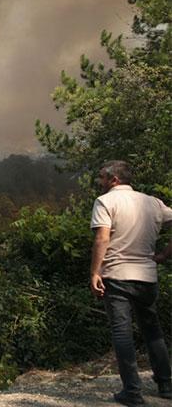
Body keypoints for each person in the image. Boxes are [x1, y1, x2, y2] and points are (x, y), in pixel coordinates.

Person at [89, 160, 172, 406]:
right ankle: (166, 385)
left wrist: (95, 272)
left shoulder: (105, 202)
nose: (99, 181)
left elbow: (102, 238)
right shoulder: (153, 202)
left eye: (102, 176)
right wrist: (165, 255)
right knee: (152, 328)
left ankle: (132, 392)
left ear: (114, 179)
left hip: (116, 276)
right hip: (147, 276)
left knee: (122, 333)